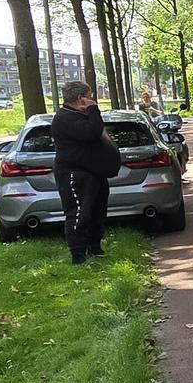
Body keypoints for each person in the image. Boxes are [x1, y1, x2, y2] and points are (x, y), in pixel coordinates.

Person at [52, 81, 121, 265]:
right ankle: (78, 257)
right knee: (79, 213)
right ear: (80, 98)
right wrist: (93, 109)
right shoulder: (64, 117)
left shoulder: (78, 116)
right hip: (75, 174)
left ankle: (95, 248)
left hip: (94, 172)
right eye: (90, 96)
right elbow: (92, 132)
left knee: (97, 213)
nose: (93, 100)